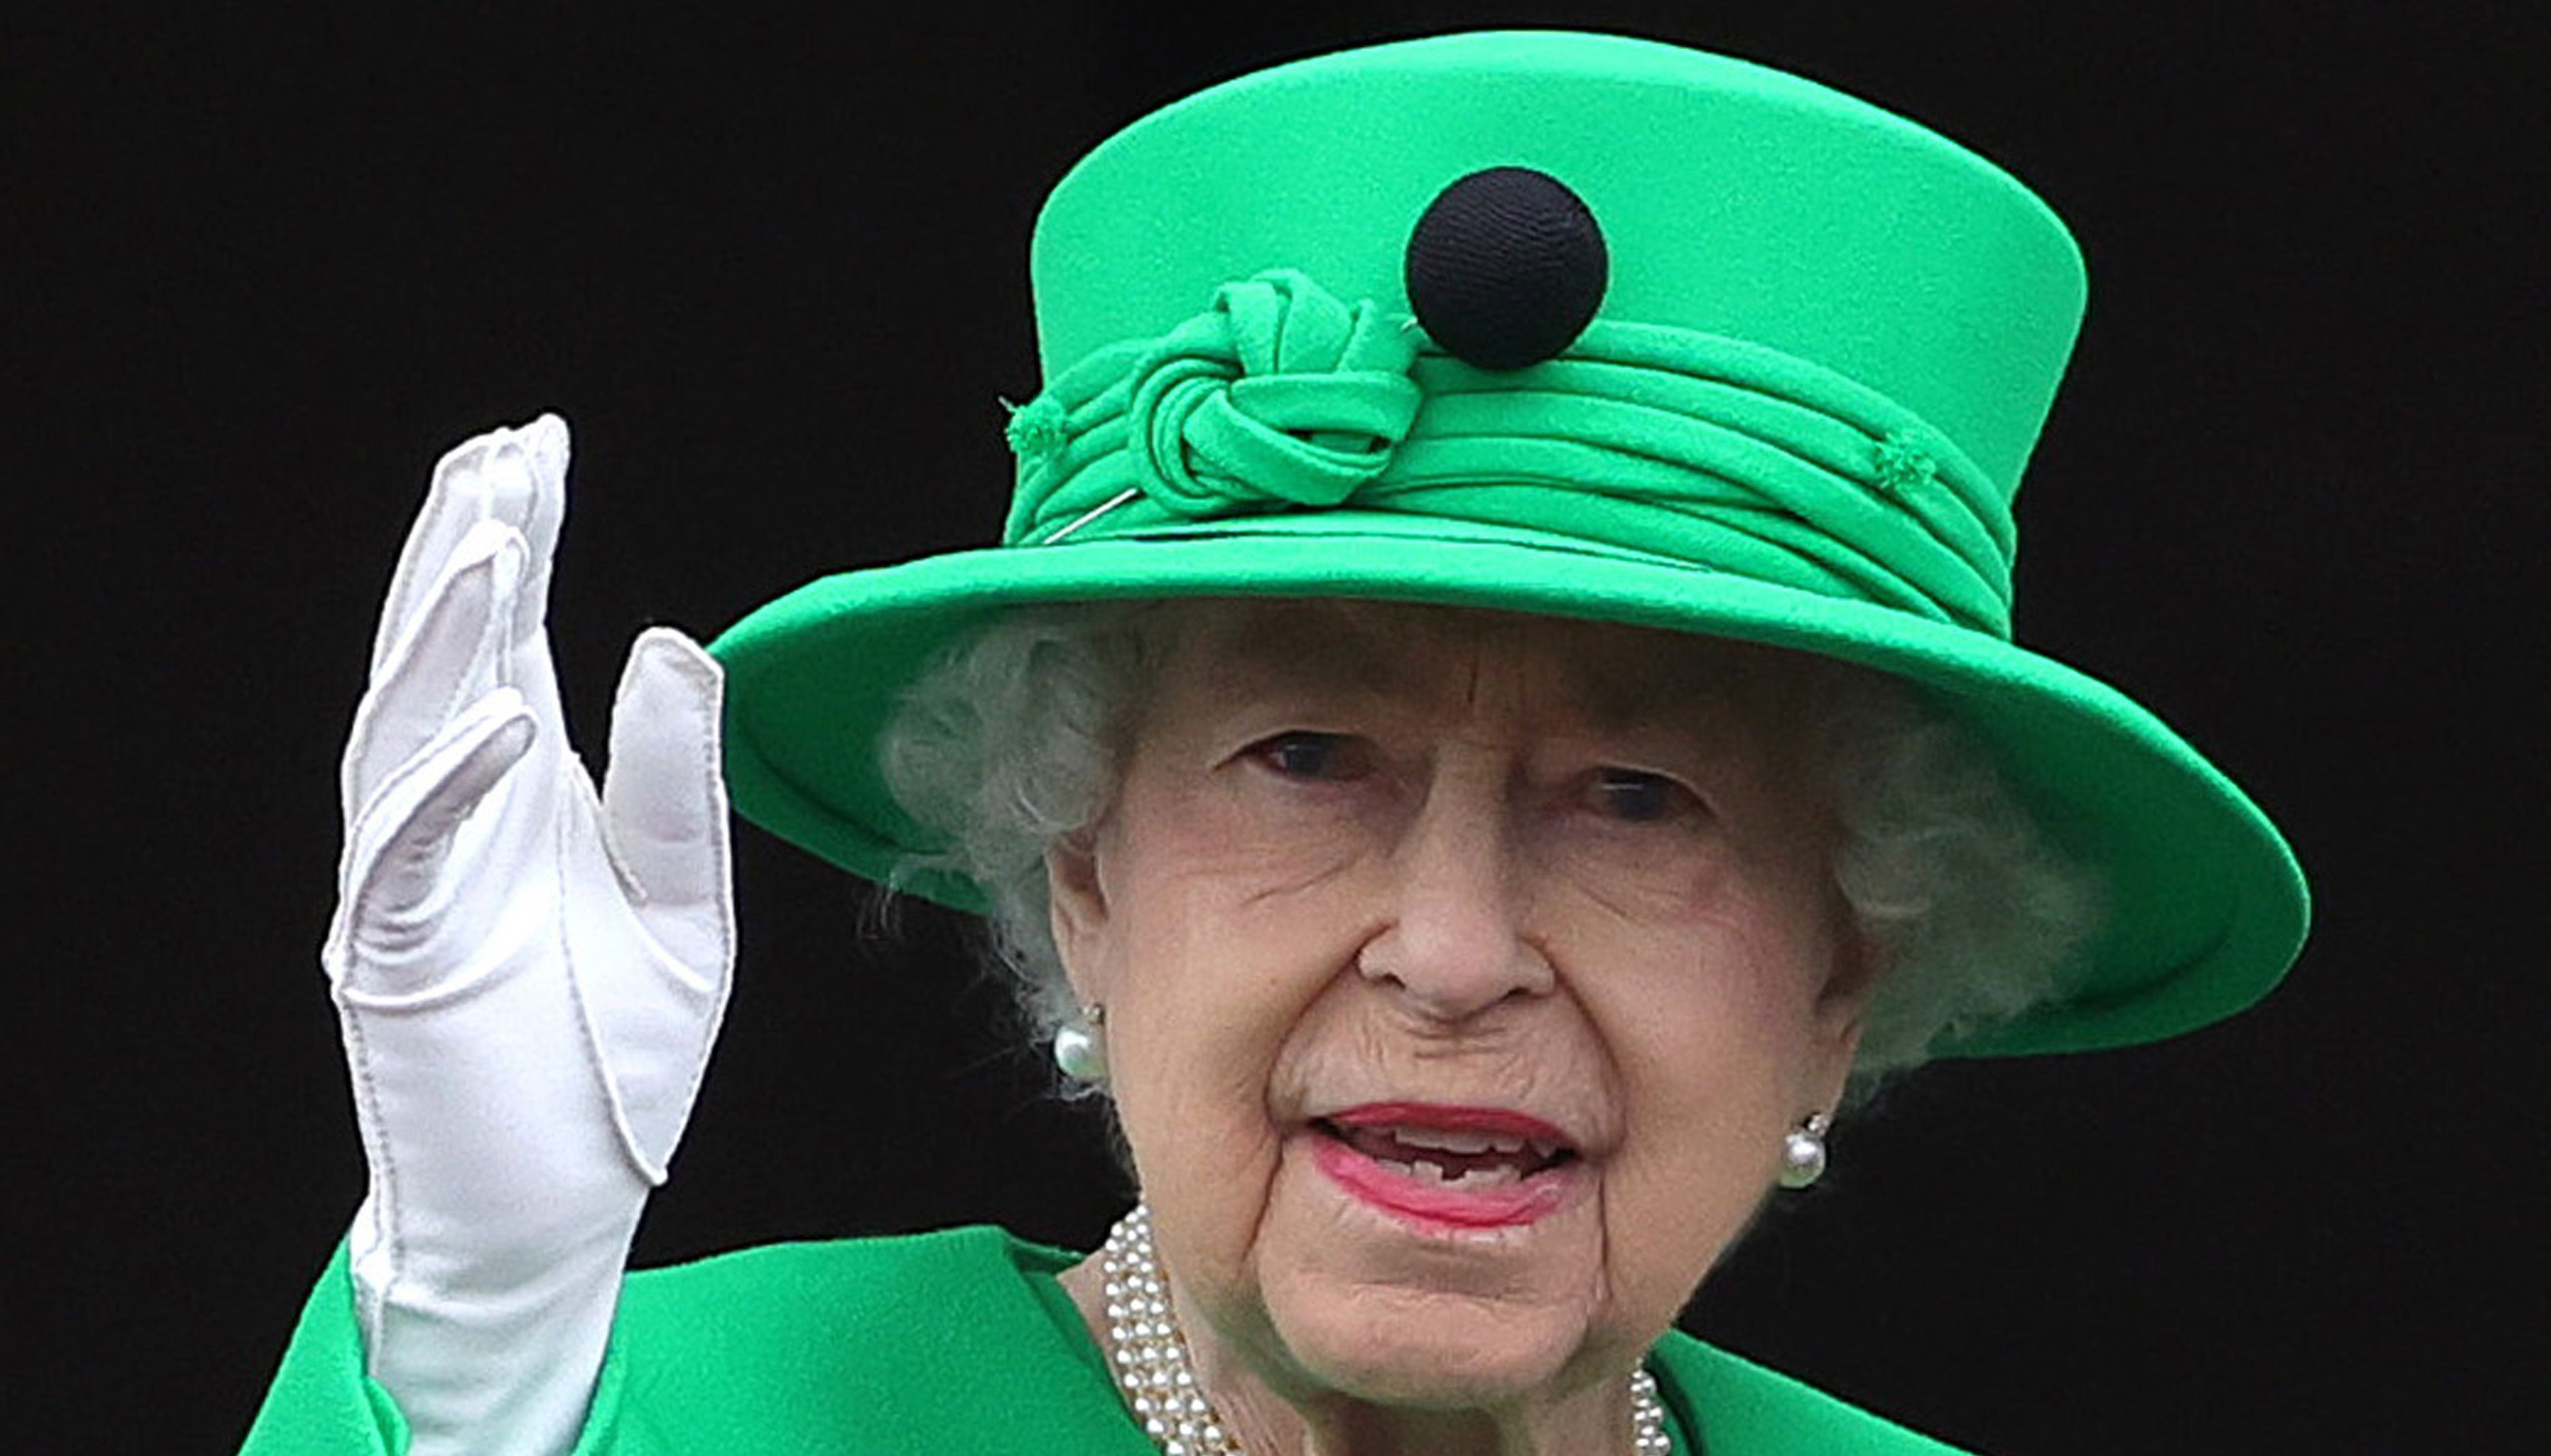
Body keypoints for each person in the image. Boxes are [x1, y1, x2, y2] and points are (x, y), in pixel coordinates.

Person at [241, 30, 2308, 1456]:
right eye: (1310, 756)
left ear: (1844, 979)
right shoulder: (646, 1420)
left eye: (1639, 795)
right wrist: (463, 1390)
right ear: (1083, 881)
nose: (1452, 943)